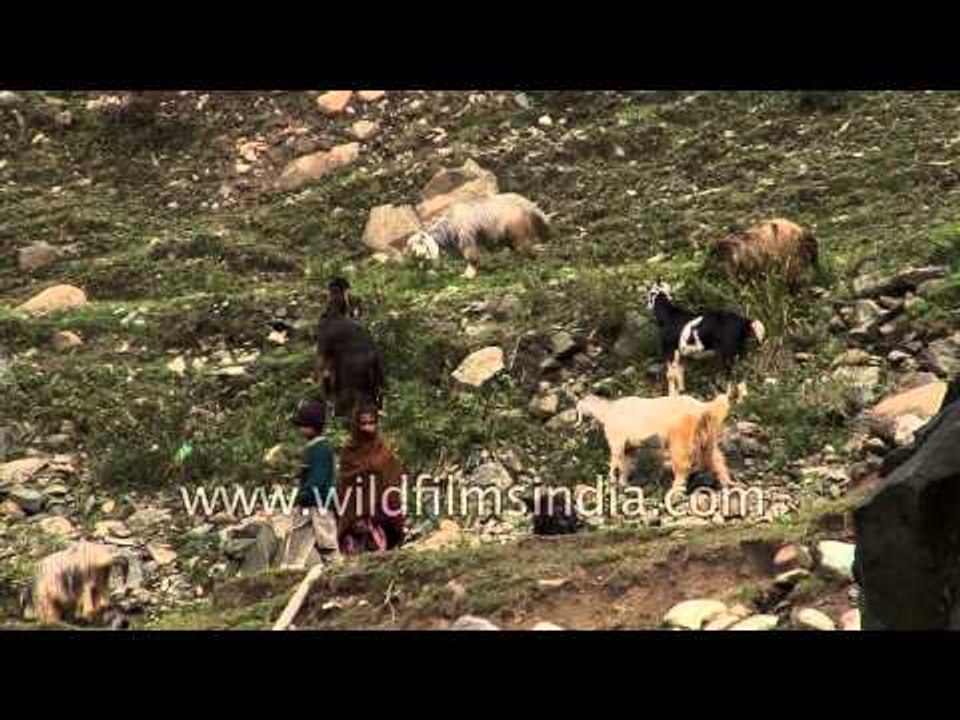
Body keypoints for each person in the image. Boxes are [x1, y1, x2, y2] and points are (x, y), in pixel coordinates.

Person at [336, 401, 406, 555]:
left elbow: (394, 481)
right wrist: (356, 515)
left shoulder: (383, 451)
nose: (368, 428)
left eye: (372, 423)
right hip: (356, 521)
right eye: (363, 423)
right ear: (356, 425)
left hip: (382, 519)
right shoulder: (349, 453)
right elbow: (344, 487)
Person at [279, 399, 340, 569]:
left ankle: (337, 570)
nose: (300, 430)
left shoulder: (321, 449)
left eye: (302, 426)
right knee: (298, 537)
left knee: (326, 542)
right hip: (309, 503)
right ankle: (291, 570)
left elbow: (318, 479)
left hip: (319, 503)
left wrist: (304, 493)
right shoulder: (312, 448)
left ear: (312, 427)